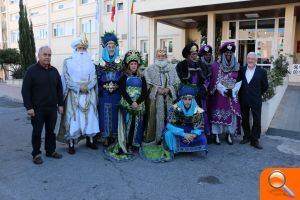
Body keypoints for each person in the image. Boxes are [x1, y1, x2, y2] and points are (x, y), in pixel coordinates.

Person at [58, 34, 99, 154]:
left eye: (84, 49)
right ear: (75, 49)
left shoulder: (92, 63)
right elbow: (66, 78)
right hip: (74, 96)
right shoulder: (68, 62)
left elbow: (95, 78)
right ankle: (71, 143)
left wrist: (88, 87)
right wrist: (78, 87)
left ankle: (90, 140)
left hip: (89, 94)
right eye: (80, 48)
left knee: (91, 117)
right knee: (74, 119)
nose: (82, 51)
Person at [21, 46, 63, 164]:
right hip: (37, 109)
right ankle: (36, 154)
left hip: (51, 108)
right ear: (39, 56)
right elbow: (25, 90)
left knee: (51, 131)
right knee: (37, 132)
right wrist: (29, 107)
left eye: (49, 55)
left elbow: (59, 89)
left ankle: (50, 151)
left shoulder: (54, 71)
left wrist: (60, 104)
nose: (47, 57)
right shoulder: (31, 71)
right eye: (45, 54)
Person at [143, 49, 180, 144]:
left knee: (169, 117)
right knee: (156, 118)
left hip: (169, 99)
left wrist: (169, 89)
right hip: (156, 99)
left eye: (163, 56)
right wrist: (157, 89)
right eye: (159, 56)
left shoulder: (172, 68)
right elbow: (147, 83)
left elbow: (177, 83)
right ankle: (156, 138)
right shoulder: (150, 69)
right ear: (156, 57)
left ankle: (168, 139)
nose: (161, 58)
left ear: (166, 57)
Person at [208, 42, 241, 145]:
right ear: (222, 54)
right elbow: (214, 81)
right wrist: (224, 90)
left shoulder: (237, 65)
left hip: (232, 95)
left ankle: (228, 134)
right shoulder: (216, 65)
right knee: (218, 114)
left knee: (231, 114)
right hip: (219, 95)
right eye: (226, 53)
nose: (228, 55)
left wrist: (233, 90)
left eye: (231, 53)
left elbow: (240, 80)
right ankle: (216, 135)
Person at [163, 85, 208, 155]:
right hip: (178, 131)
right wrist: (184, 134)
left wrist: (193, 135)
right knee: (168, 134)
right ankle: (174, 149)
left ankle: (188, 148)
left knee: (202, 138)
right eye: (185, 99)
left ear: (193, 99)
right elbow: (169, 125)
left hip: (191, 130)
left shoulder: (197, 109)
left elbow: (200, 125)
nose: (187, 101)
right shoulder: (174, 108)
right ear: (181, 99)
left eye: (189, 99)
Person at [117, 50, 147, 154]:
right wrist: (131, 102)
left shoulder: (142, 77)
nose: (133, 66)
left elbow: (144, 92)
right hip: (127, 104)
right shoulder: (124, 76)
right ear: (128, 65)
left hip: (139, 105)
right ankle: (127, 143)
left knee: (137, 124)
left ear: (137, 65)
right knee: (128, 123)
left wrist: (137, 102)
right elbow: (122, 91)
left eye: (135, 64)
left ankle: (135, 144)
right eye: (131, 64)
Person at [96, 32, 123, 146]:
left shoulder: (121, 62)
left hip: (117, 93)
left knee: (116, 113)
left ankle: (116, 136)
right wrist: (101, 90)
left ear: (116, 47)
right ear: (105, 47)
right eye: (109, 46)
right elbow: (97, 78)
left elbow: (123, 77)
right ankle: (106, 136)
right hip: (105, 93)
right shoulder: (99, 62)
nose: (111, 48)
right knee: (104, 113)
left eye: (113, 46)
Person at [239, 52, 269, 149]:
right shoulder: (242, 70)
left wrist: (257, 94)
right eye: (249, 58)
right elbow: (238, 83)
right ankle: (246, 137)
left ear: (256, 60)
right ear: (246, 59)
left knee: (256, 120)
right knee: (245, 119)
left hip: (256, 99)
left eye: (252, 59)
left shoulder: (262, 72)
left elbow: (265, 86)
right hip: (243, 99)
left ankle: (254, 140)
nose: (250, 60)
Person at [198, 44, 214, 137]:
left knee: (212, 111)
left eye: (209, 54)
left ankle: (212, 131)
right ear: (202, 55)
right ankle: (204, 131)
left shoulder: (214, 65)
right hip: (203, 93)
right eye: (206, 55)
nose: (208, 56)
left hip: (213, 92)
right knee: (204, 111)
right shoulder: (199, 65)